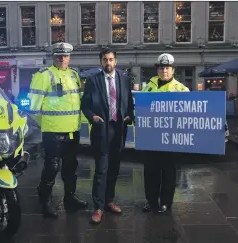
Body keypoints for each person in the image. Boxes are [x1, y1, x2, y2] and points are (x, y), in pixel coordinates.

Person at [28, 42, 88, 218]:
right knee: (52, 167)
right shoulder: (44, 75)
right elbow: (33, 108)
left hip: (72, 131)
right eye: (58, 56)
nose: (62, 59)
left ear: (69, 57)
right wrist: (47, 125)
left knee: (70, 167)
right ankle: (45, 201)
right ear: (53, 57)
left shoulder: (74, 75)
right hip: (53, 132)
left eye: (65, 56)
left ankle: (70, 198)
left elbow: (77, 104)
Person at [81, 49, 134, 224]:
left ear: (116, 61)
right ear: (101, 62)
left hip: (118, 130)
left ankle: (109, 200)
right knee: (101, 169)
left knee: (114, 169)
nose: (108, 63)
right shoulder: (93, 80)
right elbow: (85, 105)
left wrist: (129, 115)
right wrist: (92, 117)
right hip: (101, 129)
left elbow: (129, 101)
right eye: (105, 60)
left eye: (111, 59)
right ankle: (98, 207)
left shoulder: (124, 79)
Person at [141, 53, 189, 214]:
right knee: (150, 172)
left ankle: (166, 202)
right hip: (151, 137)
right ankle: (151, 201)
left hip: (170, 138)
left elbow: (189, 114)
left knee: (168, 172)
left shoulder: (181, 90)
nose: (164, 71)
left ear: (173, 70)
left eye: (167, 68)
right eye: (161, 68)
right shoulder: (148, 87)